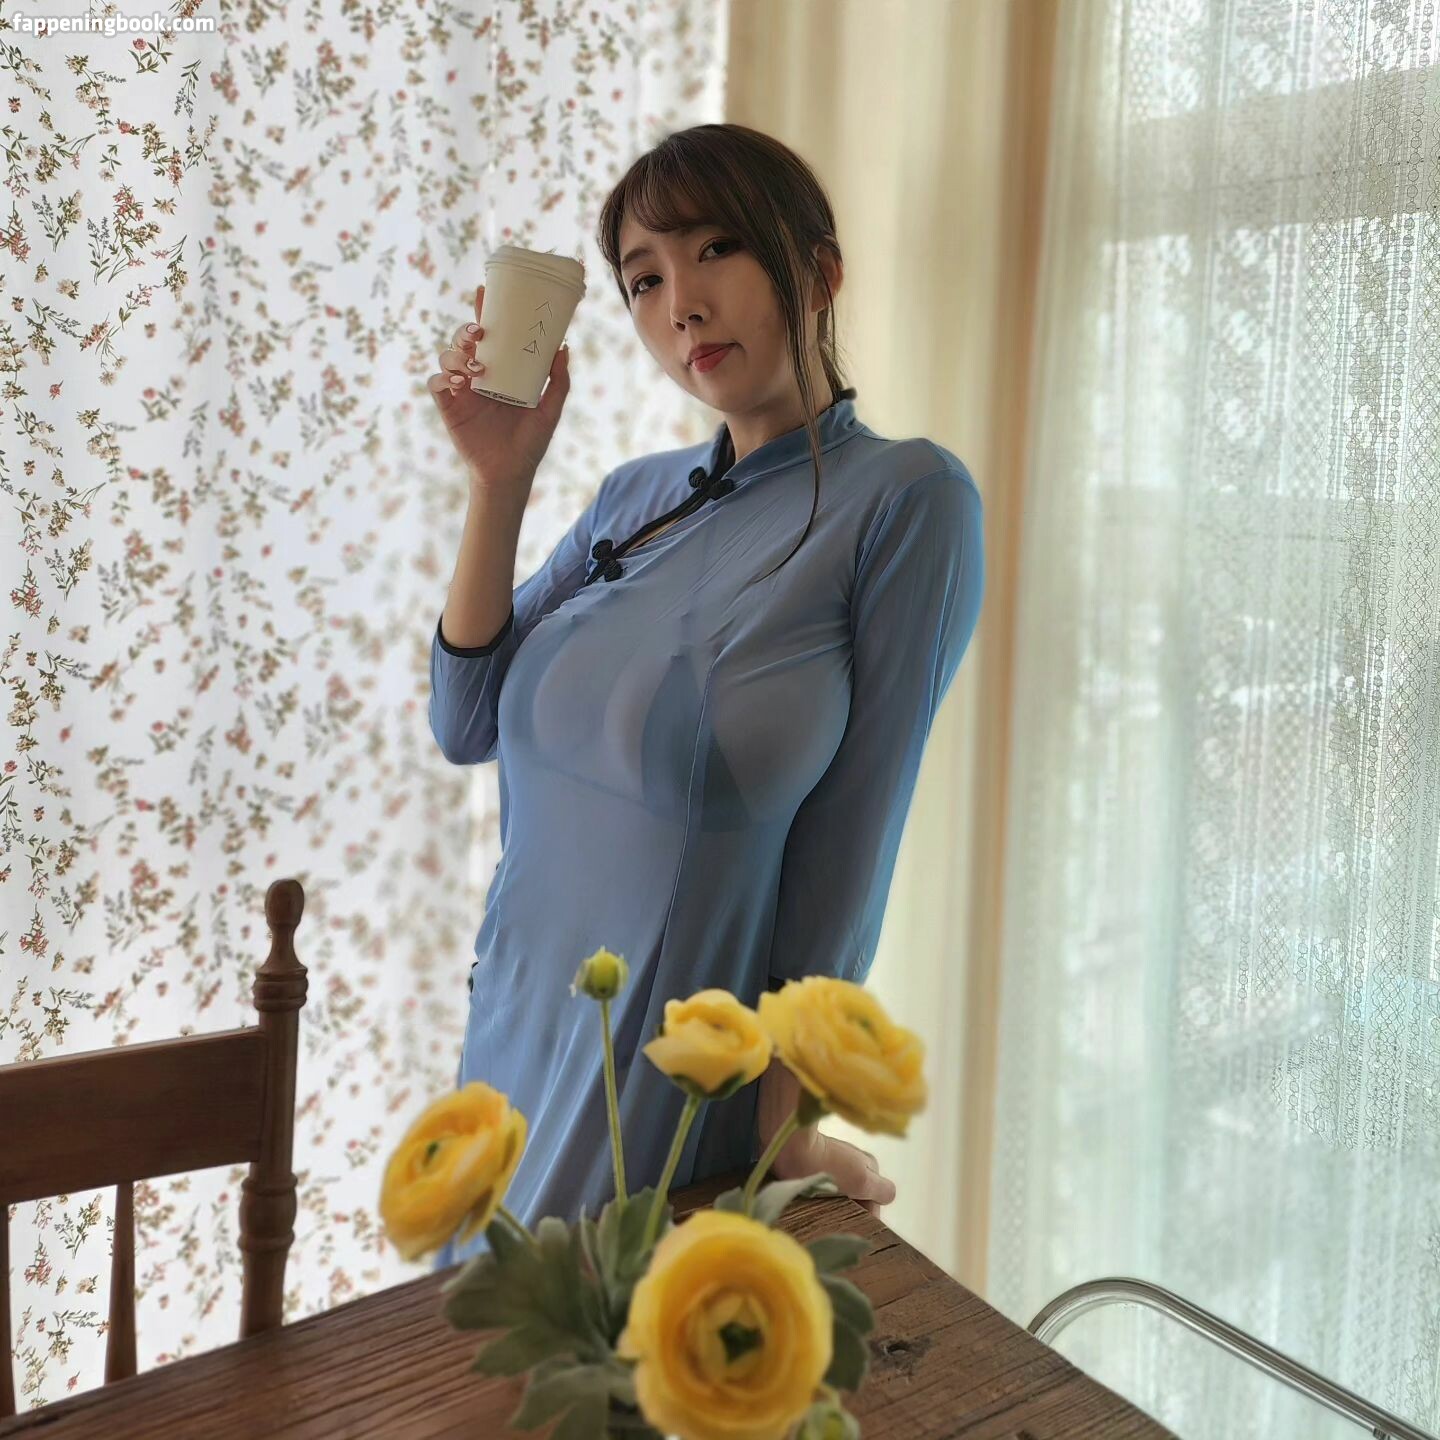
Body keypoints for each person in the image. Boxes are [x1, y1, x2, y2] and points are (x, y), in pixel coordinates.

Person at [424, 123, 984, 1270]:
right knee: (456, 1343)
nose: (681, 303)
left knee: (580, 1347)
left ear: (818, 273)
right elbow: (464, 720)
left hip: (665, 1078)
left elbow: (850, 853)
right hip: (512, 1031)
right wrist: (500, 482)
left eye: (716, 249)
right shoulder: (634, 496)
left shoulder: (907, 500)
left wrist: (785, 1131)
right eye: (644, 279)